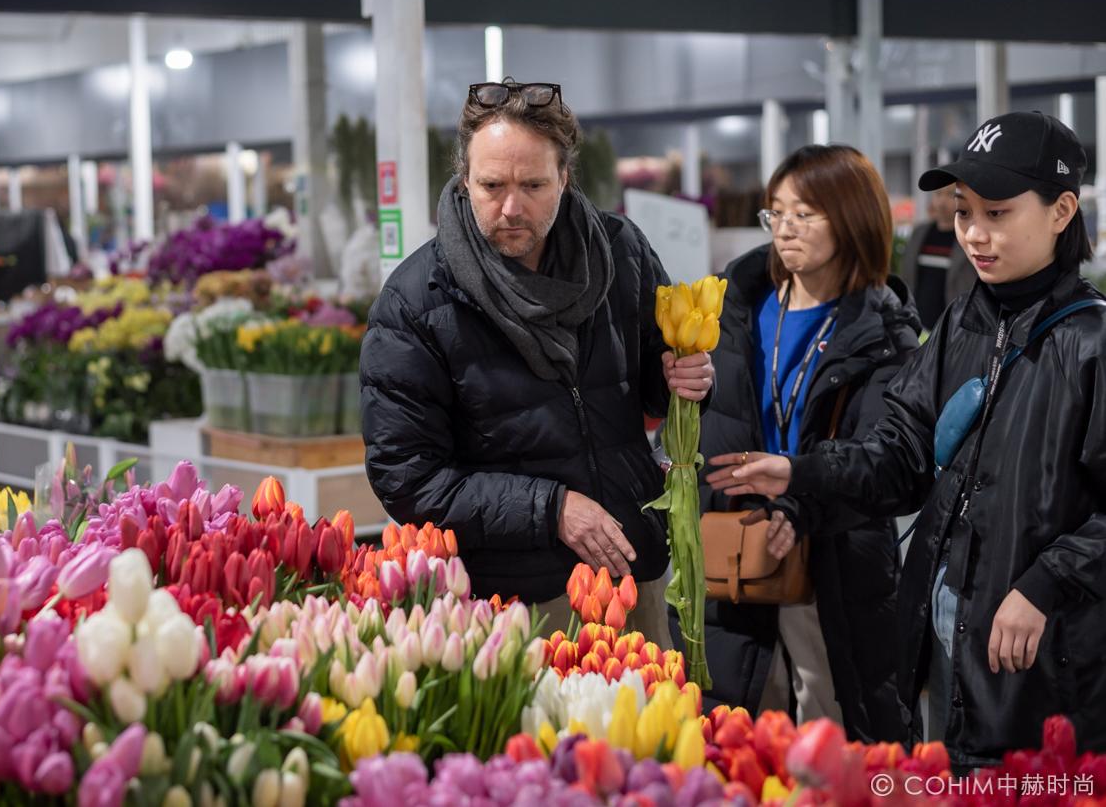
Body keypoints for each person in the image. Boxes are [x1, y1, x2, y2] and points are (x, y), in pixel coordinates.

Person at [708, 112, 1106, 768]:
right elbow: (901, 456)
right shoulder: (962, 324)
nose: (973, 233)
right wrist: (801, 472)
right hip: (949, 642)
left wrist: (1045, 583)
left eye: (997, 213)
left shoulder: (1090, 343)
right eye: (964, 212)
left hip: (1050, 659)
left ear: (1062, 211)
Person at [359, 80, 714, 643]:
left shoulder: (619, 251)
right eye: (491, 185)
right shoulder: (417, 301)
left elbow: (653, 382)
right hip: (514, 599)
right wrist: (551, 509)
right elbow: (407, 476)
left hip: (631, 574)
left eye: (533, 185)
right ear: (464, 178)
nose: (511, 208)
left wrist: (687, 379)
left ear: (565, 177)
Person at [681, 145, 920, 743]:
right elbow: (710, 420)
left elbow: (884, 462)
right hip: (734, 546)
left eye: (804, 214)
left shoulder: (884, 333)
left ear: (853, 220)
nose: (784, 228)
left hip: (835, 558)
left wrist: (800, 499)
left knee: (831, 733)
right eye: (776, 212)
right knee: (738, 733)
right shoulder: (733, 306)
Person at [900, 185, 975, 329]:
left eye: (950, 195)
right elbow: (907, 277)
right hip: (919, 326)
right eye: (938, 194)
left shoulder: (969, 237)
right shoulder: (919, 233)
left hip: (955, 327)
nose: (942, 201)